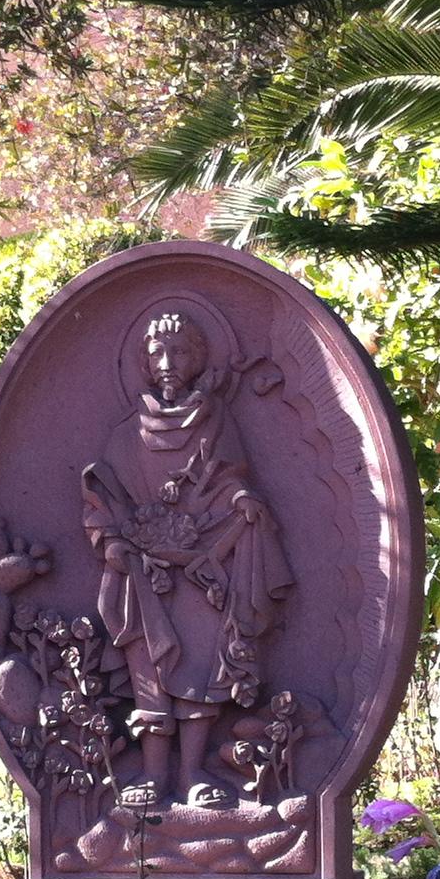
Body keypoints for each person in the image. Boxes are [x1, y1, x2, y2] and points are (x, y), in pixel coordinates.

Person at [81, 308, 293, 808]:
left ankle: (194, 774)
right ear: (145, 362)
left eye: (179, 351)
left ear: (197, 359)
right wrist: (113, 544)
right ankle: (153, 777)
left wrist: (241, 499)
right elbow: (101, 501)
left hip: (202, 568)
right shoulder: (124, 434)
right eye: (157, 352)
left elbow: (227, 477)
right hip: (143, 575)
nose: (168, 361)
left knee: (200, 667)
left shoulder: (215, 421)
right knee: (151, 672)